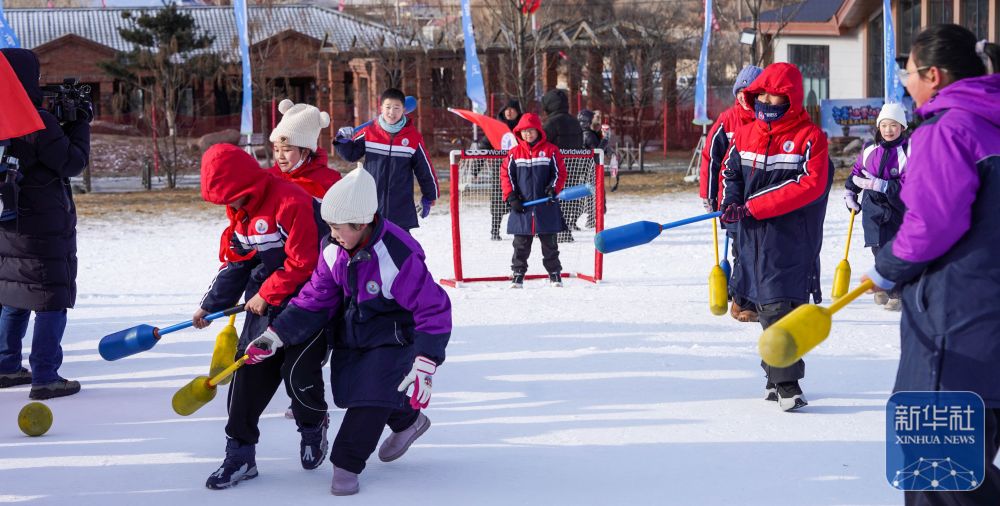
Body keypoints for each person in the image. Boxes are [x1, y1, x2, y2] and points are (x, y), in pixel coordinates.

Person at [861, 24, 1000, 506]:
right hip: (986, 334)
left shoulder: (949, 130)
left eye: (909, 72)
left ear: (934, 75)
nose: (905, 81)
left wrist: (886, 267)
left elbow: (932, 225)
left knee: (938, 478)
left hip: (956, 328)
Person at [248, 167, 452, 496]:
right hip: (354, 332)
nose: (332, 234)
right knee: (348, 392)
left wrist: (426, 360)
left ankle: (346, 465)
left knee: (368, 399)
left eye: (338, 228)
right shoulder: (333, 250)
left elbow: (434, 308)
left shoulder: (397, 258)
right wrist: (276, 334)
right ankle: (407, 420)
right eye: (329, 227)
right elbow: (315, 298)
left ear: (362, 222)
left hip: (395, 336)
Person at [197, 144, 330, 489]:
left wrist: (265, 294)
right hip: (265, 301)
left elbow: (305, 263)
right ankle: (240, 454)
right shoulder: (239, 214)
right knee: (246, 377)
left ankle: (313, 427)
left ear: (246, 187)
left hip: (308, 301)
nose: (231, 206)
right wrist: (210, 305)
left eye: (233, 197)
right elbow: (238, 262)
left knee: (296, 372)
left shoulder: (291, 201)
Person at [720, 62, 833, 412]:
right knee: (765, 307)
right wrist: (730, 201)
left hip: (788, 239)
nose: (767, 100)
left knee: (780, 309)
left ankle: (787, 384)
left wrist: (754, 206)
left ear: (791, 98)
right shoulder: (745, 133)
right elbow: (731, 171)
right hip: (751, 240)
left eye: (776, 95)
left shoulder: (810, 137)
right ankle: (773, 376)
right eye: (762, 94)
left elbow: (810, 185)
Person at [0, 48, 90, 399]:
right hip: (44, 225)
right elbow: (71, 162)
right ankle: (45, 375)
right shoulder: (34, 120)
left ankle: (6, 365)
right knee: (51, 297)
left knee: (12, 293)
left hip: (8, 222)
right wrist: (80, 122)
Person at [699, 65, 763, 323]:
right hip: (732, 199)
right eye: (739, 92)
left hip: (760, 198)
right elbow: (711, 159)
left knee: (759, 248)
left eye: (749, 92)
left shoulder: (767, 120)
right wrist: (710, 195)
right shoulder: (727, 121)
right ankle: (743, 301)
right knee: (743, 248)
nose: (743, 98)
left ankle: (755, 294)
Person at [334, 88, 438, 233]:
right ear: (381, 108)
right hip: (370, 209)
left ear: (404, 110)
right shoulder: (369, 132)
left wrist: (429, 196)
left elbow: (424, 169)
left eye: (397, 108)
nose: (392, 112)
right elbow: (351, 155)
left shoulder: (413, 137)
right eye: (388, 107)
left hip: (400, 211)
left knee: (400, 253)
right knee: (370, 251)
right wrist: (342, 139)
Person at [843, 102, 909, 311]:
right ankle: (882, 284)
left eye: (894, 125)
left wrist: (882, 185)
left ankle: (897, 294)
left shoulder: (908, 151)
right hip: (872, 206)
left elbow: (911, 183)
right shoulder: (869, 148)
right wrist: (850, 191)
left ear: (902, 128)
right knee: (876, 247)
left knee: (893, 249)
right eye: (885, 125)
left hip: (896, 207)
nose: (888, 130)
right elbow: (857, 172)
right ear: (878, 126)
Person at [501, 113, 568, 288]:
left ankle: (554, 274)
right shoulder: (514, 154)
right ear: (519, 133)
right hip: (523, 208)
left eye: (531, 131)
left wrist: (553, 188)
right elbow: (506, 176)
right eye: (524, 132)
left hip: (545, 206)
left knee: (550, 244)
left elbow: (560, 173)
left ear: (538, 131)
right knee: (520, 245)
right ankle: (518, 274)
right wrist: (511, 196)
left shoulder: (551, 150)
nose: (528, 134)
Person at [268, 99, 341, 200]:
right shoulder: (268, 178)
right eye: (276, 150)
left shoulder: (330, 181)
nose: (280, 156)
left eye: (286, 150)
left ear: (305, 152)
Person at [541, 88, 582, 243]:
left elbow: (543, 143)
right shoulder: (574, 121)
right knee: (566, 200)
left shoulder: (551, 123)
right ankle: (564, 229)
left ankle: (559, 230)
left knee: (552, 199)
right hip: (574, 167)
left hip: (555, 169)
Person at [487, 99, 523, 240]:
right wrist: (476, 167)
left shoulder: (523, 127)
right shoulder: (496, 127)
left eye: (512, 109)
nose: (509, 112)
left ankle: (523, 228)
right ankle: (495, 230)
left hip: (520, 169)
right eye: (506, 109)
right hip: (500, 170)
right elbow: (485, 144)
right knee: (498, 201)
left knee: (522, 199)